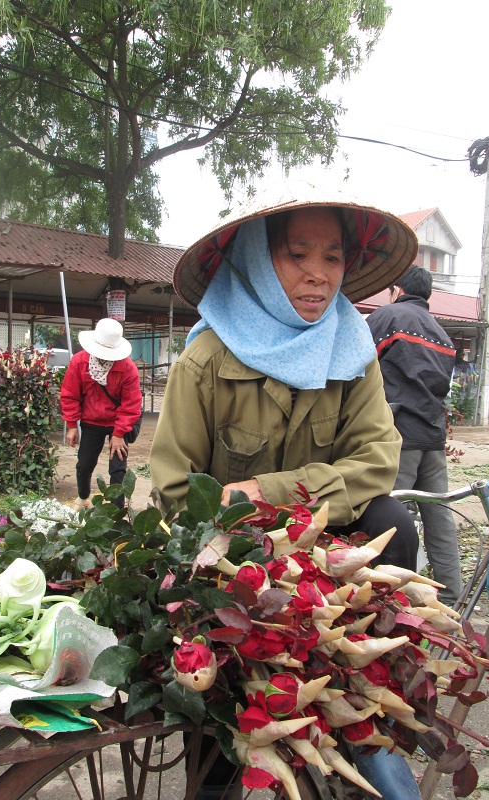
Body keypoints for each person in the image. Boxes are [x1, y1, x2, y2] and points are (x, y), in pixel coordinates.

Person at [150, 182, 424, 800]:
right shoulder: (206, 362)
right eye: (297, 254)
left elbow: (378, 459)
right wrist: (243, 523)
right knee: (219, 694)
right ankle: (217, 767)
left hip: (326, 556)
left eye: (332, 258)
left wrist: (265, 491)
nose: (317, 276)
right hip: (234, 557)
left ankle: (368, 715)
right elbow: (172, 487)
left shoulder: (353, 351)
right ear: (257, 261)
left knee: (396, 522)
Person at [366, 266, 463, 605]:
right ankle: (452, 597)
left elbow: (354, 362)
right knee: (439, 518)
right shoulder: (443, 335)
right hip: (433, 437)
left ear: (395, 289)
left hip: (398, 436)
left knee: (388, 520)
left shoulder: (387, 317)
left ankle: (389, 602)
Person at [60, 318, 142, 511]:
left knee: (117, 468)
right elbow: (70, 394)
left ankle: (117, 511)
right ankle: (82, 498)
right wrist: (72, 425)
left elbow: (131, 404)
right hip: (92, 420)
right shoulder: (79, 361)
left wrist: (119, 434)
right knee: (85, 464)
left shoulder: (128, 368)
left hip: (118, 422)